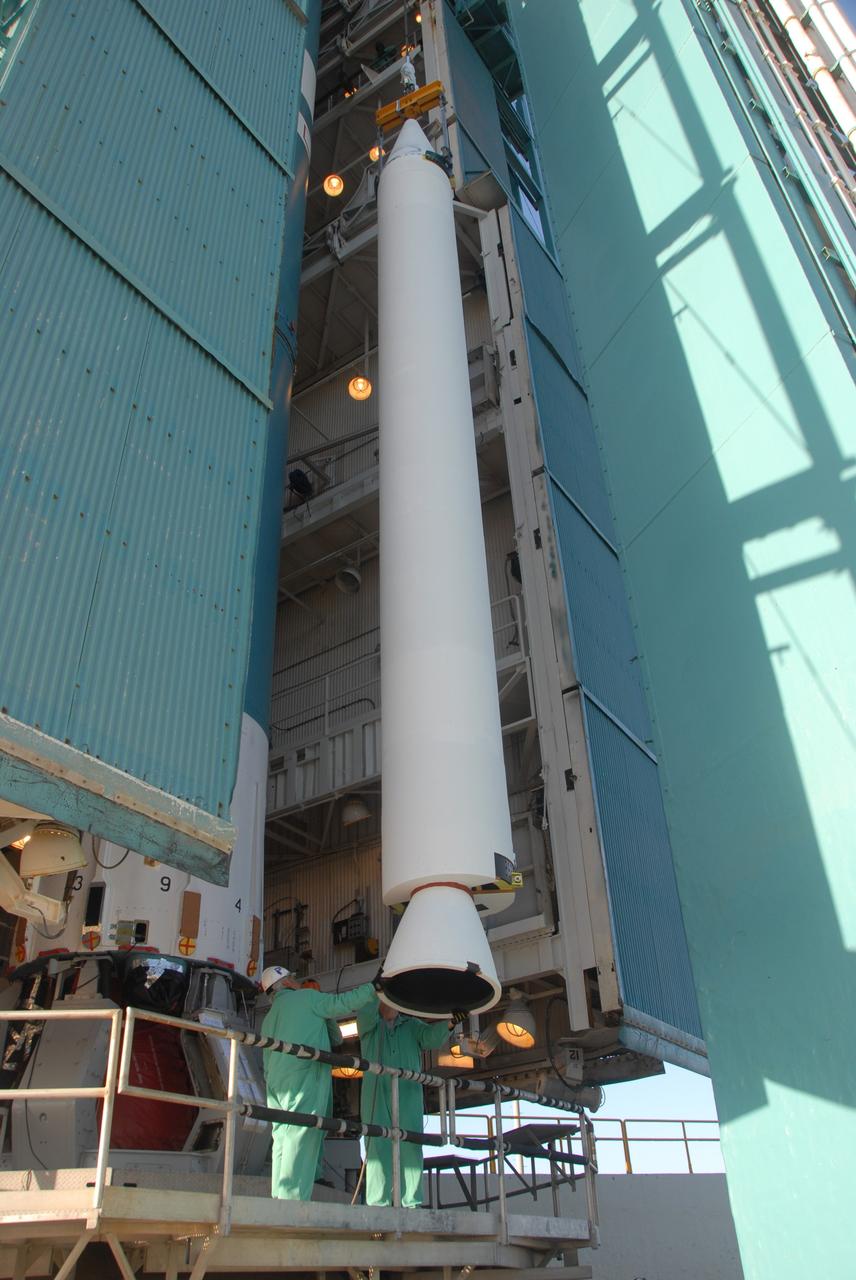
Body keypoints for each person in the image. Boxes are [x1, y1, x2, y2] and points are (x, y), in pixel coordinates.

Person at [260, 965, 377, 1201]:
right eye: (294, 977)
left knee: (283, 1138)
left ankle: (280, 1200)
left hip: (275, 1082)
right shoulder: (308, 998)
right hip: (304, 1077)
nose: (297, 980)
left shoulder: (269, 1017)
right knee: (303, 1135)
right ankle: (293, 1203)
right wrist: (374, 988)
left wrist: (321, 1010)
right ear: (285, 983)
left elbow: (334, 1037)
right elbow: (345, 1003)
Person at [357, 995, 462, 1207]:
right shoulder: (370, 1026)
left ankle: (412, 1203)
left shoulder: (411, 1025)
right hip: (376, 1093)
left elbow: (431, 1037)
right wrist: (377, 990)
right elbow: (364, 1014)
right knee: (377, 1146)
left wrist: (451, 1022)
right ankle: (379, 1204)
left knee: (411, 1145)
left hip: (407, 1093)